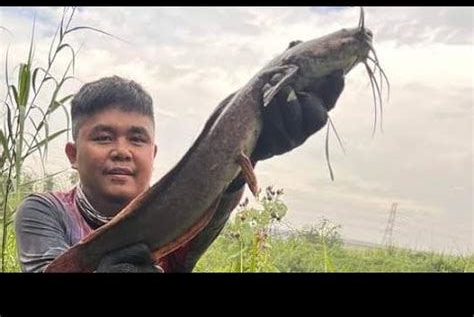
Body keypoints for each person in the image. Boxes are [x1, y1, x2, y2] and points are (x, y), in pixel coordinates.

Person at [15, 70, 345, 273]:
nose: (121, 150)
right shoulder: (45, 211)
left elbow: (214, 198)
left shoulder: (179, 213)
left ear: (153, 154)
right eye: (103, 137)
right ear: (73, 154)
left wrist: (252, 146)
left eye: (137, 138)